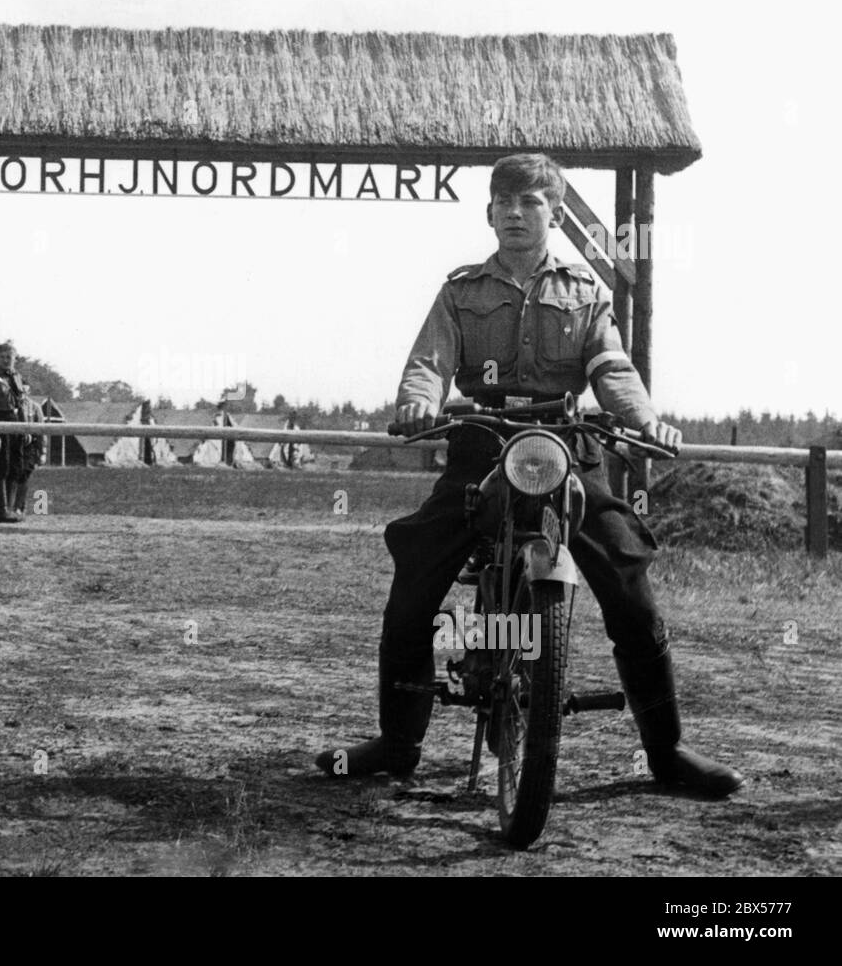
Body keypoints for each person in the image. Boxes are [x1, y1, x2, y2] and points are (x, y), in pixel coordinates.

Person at [315, 153, 743, 796]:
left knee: (627, 574)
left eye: (531, 203)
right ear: (489, 213)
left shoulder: (586, 292)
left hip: (566, 443)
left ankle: (667, 752)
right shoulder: (461, 292)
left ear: (557, 214)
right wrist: (418, 401)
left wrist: (646, 420)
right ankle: (398, 742)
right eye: (504, 203)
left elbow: (613, 368)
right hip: (482, 445)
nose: (515, 213)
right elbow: (430, 361)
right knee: (417, 564)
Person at [0, 341, 26, 522]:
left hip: (15, 422)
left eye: (9, 357)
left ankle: (11, 509)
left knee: (16, 467)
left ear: (15, 358)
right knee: (1, 467)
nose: (6, 360)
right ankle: (0, 511)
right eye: (2, 357)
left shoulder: (17, 377)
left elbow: (22, 402)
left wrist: (26, 428)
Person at [11, 381, 45, 518]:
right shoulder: (10, 406)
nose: (22, 394)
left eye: (25, 391)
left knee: (24, 475)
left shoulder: (35, 408)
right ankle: (11, 507)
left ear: (29, 392)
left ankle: (19, 507)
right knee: (12, 475)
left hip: (29, 447)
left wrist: (42, 452)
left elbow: (42, 431)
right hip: (13, 445)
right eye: (20, 391)